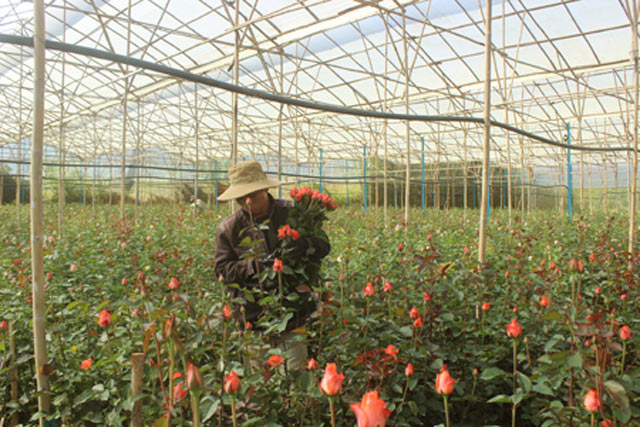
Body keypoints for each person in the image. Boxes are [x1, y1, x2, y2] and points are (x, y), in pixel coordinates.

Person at [214, 160, 330, 368]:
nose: (246, 201)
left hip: (293, 314)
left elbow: (324, 245)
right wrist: (254, 267)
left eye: (252, 195)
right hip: (253, 317)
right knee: (260, 386)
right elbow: (222, 270)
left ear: (265, 188)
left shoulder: (293, 213)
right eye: (241, 197)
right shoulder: (230, 228)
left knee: (295, 378)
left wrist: (306, 244)